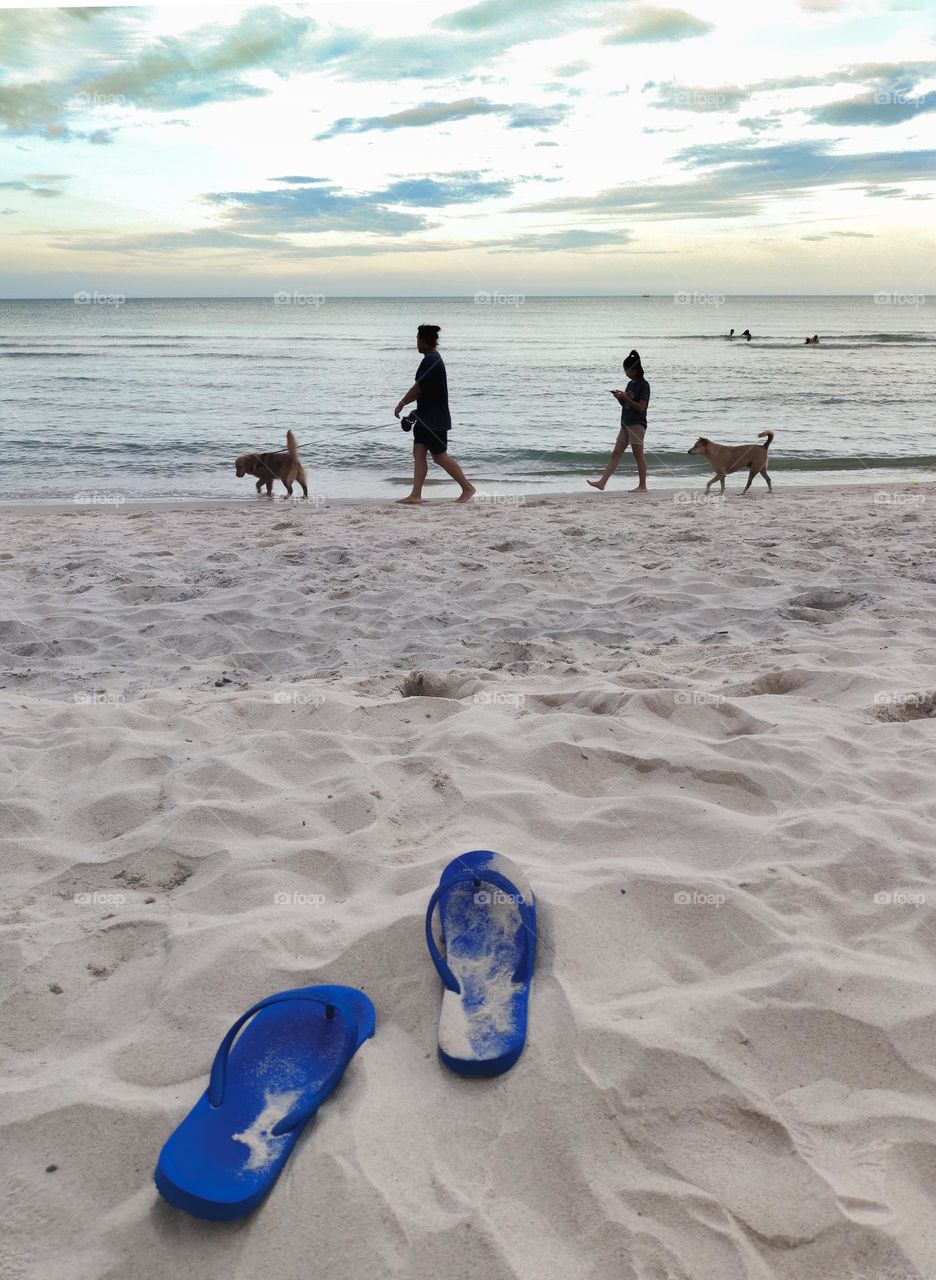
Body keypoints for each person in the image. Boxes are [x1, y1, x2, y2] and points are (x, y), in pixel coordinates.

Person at [393, 324, 475, 505]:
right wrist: (415, 412)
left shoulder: (432, 360)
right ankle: (415, 495)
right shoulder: (431, 359)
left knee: (439, 456)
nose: (416, 343)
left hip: (435, 419)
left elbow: (418, 389)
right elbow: (428, 393)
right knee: (419, 452)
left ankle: (467, 488)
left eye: (417, 339)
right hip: (425, 417)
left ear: (423, 340)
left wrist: (401, 404)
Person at [587, 349, 650, 493]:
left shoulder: (644, 385)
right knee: (615, 453)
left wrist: (626, 398)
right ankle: (602, 482)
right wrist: (620, 400)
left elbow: (641, 407)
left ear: (635, 370)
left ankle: (642, 486)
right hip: (625, 423)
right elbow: (627, 406)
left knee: (638, 456)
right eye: (625, 370)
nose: (626, 373)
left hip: (637, 424)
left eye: (628, 370)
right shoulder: (630, 384)